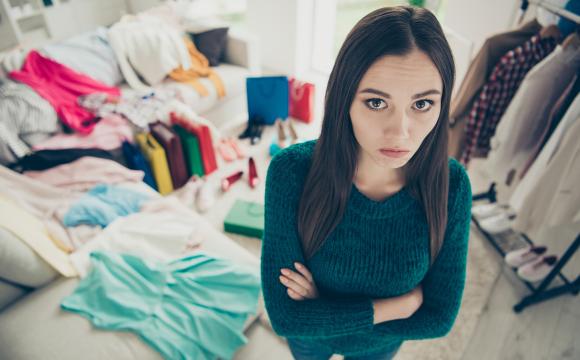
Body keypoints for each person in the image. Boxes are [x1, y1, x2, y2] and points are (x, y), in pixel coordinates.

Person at [260, 5, 473, 360]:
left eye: (422, 104)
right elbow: (285, 318)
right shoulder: (290, 172)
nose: (400, 131)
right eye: (376, 102)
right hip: (310, 345)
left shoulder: (452, 188)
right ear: (345, 99)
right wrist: (399, 306)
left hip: (379, 349)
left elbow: (439, 318)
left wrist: (323, 309)